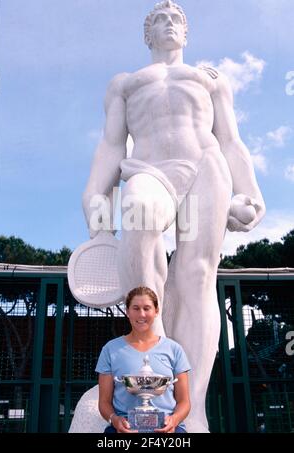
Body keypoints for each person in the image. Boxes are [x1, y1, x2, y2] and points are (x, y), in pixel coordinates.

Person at [83, 1, 266, 432]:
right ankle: (152, 369)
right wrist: (96, 194)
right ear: (148, 35)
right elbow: (112, 145)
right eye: (160, 20)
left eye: (176, 20)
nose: (169, 24)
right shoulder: (126, 83)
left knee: (198, 276)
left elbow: (231, 139)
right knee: (140, 219)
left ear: (186, 33)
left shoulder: (209, 79)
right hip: (148, 170)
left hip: (204, 165)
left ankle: (191, 407)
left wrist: (250, 192)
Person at [95, 286, 191, 433]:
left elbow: (184, 401)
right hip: (124, 427)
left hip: (168, 429)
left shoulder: (174, 349)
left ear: (156, 311)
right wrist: (115, 420)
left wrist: (174, 420)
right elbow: (104, 402)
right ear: (127, 311)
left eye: (147, 308)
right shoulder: (110, 350)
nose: (141, 314)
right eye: (135, 308)